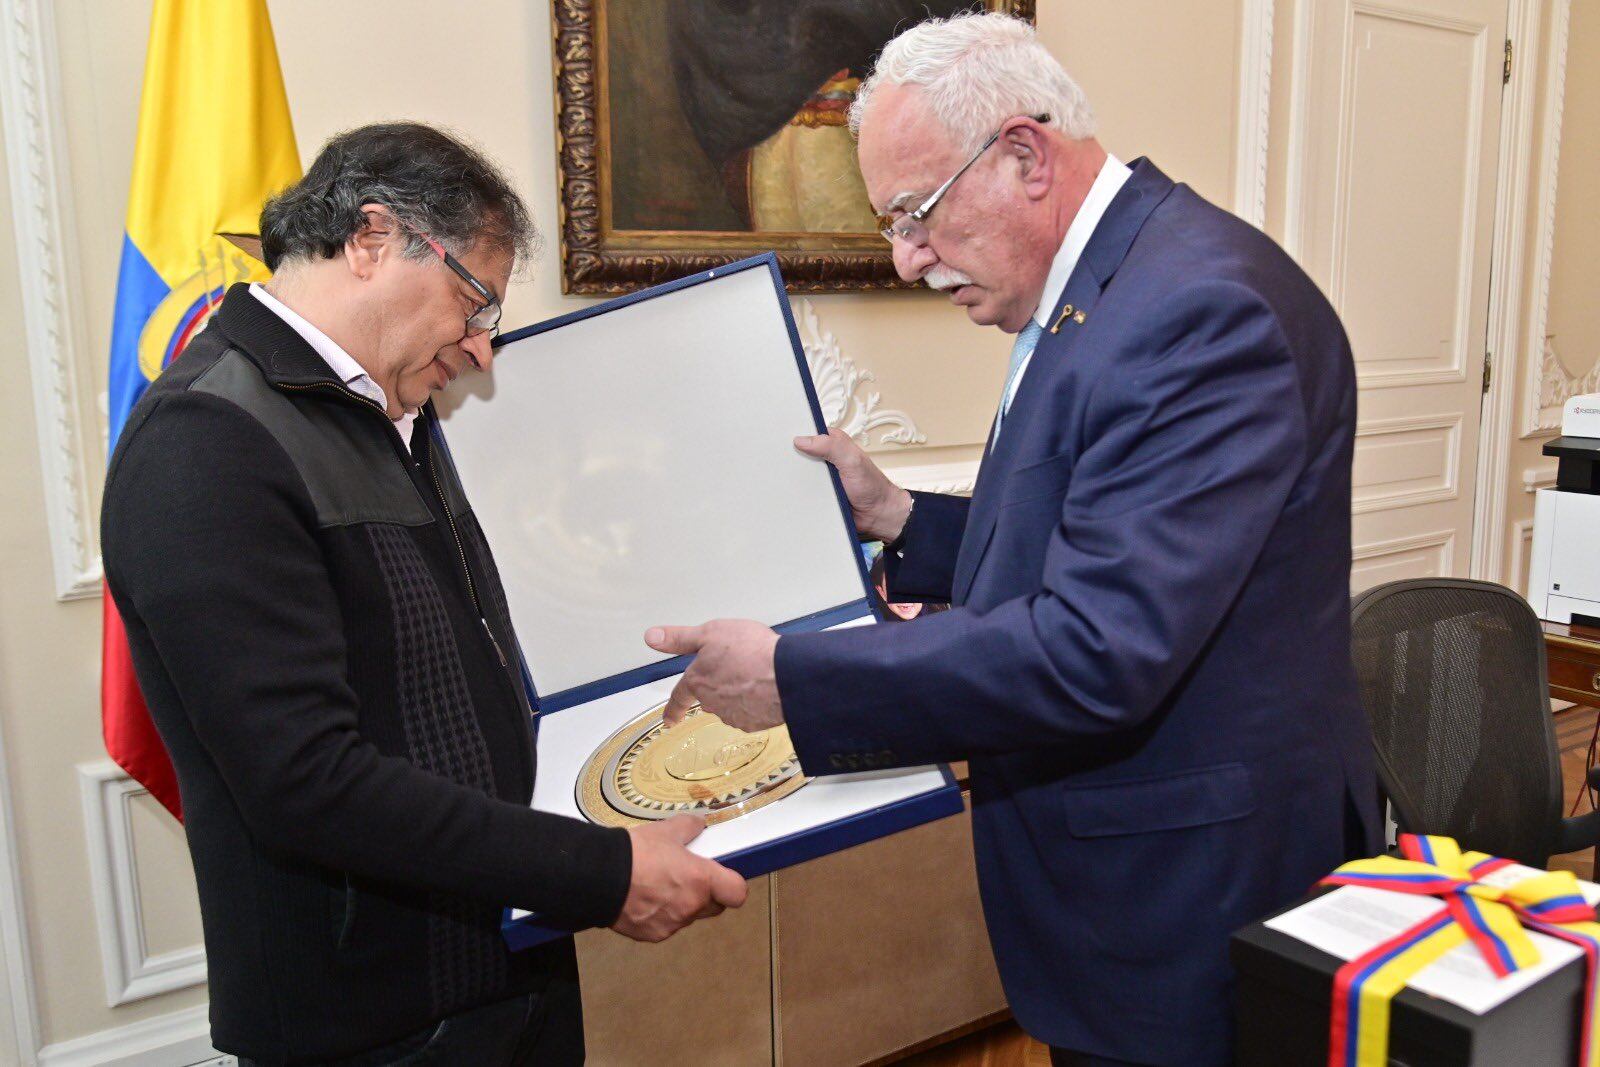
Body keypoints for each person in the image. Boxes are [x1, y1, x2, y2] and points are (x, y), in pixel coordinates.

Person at [643, 15, 1378, 1067]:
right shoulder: (1109, 285)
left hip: (1190, 894)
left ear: (1024, 155)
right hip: (1131, 876)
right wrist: (901, 516)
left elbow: (1097, 647)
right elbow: (1086, 529)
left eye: (915, 213)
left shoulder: (1200, 309)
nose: (904, 258)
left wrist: (792, 675)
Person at [101, 122, 745, 1067]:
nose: (481, 350)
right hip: (376, 1024)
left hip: (500, 969)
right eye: (473, 299)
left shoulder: (379, 409)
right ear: (371, 238)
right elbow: (306, 781)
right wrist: (600, 874)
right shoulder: (207, 438)